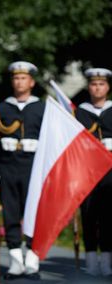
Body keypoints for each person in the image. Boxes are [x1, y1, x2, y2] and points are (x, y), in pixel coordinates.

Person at [0, 61, 45, 279]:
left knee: (33, 213)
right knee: (10, 213)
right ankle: (15, 262)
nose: (19, 81)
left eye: (23, 78)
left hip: (33, 167)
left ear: (31, 82)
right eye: (16, 78)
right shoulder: (2, 107)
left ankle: (32, 260)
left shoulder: (42, 107)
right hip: (8, 166)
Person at [75, 68, 112, 277]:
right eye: (93, 84)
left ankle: (107, 260)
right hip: (87, 170)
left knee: (108, 215)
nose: (97, 88)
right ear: (89, 87)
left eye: (101, 84)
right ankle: (90, 258)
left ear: (107, 87)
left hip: (110, 170)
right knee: (89, 214)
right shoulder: (80, 112)